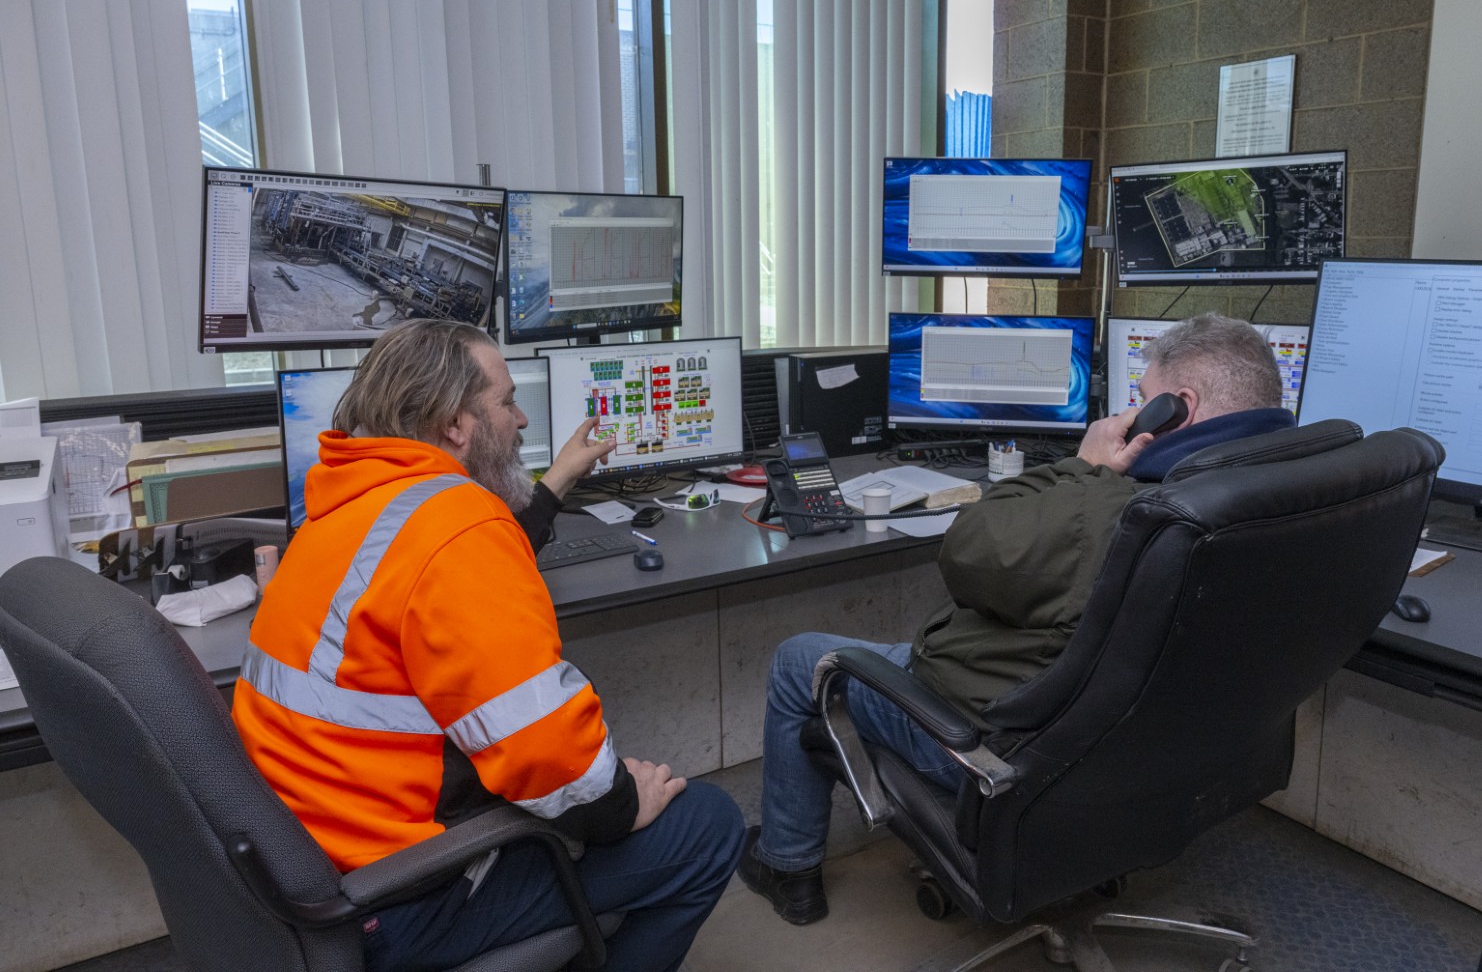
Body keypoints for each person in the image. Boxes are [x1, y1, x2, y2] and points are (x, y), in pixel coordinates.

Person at [738, 312, 1297, 925]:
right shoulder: (1302, 492)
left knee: (800, 658)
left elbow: (966, 551)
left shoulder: (1121, 512)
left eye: (1142, 402)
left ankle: (787, 867)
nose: (1133, 417)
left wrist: (1085, 465)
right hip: (1167, 755)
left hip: (1007, 752)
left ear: (1178, 409)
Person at [233, 319, 744, 972]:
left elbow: (434, 575)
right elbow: (555, 761)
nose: (522, 418)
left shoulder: (337, 512)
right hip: (409, 893)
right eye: (506, 401)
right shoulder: (459, 529)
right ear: (455, 424)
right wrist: (624, 805)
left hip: (311, 870)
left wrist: (554, 484)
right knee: (704, 825)